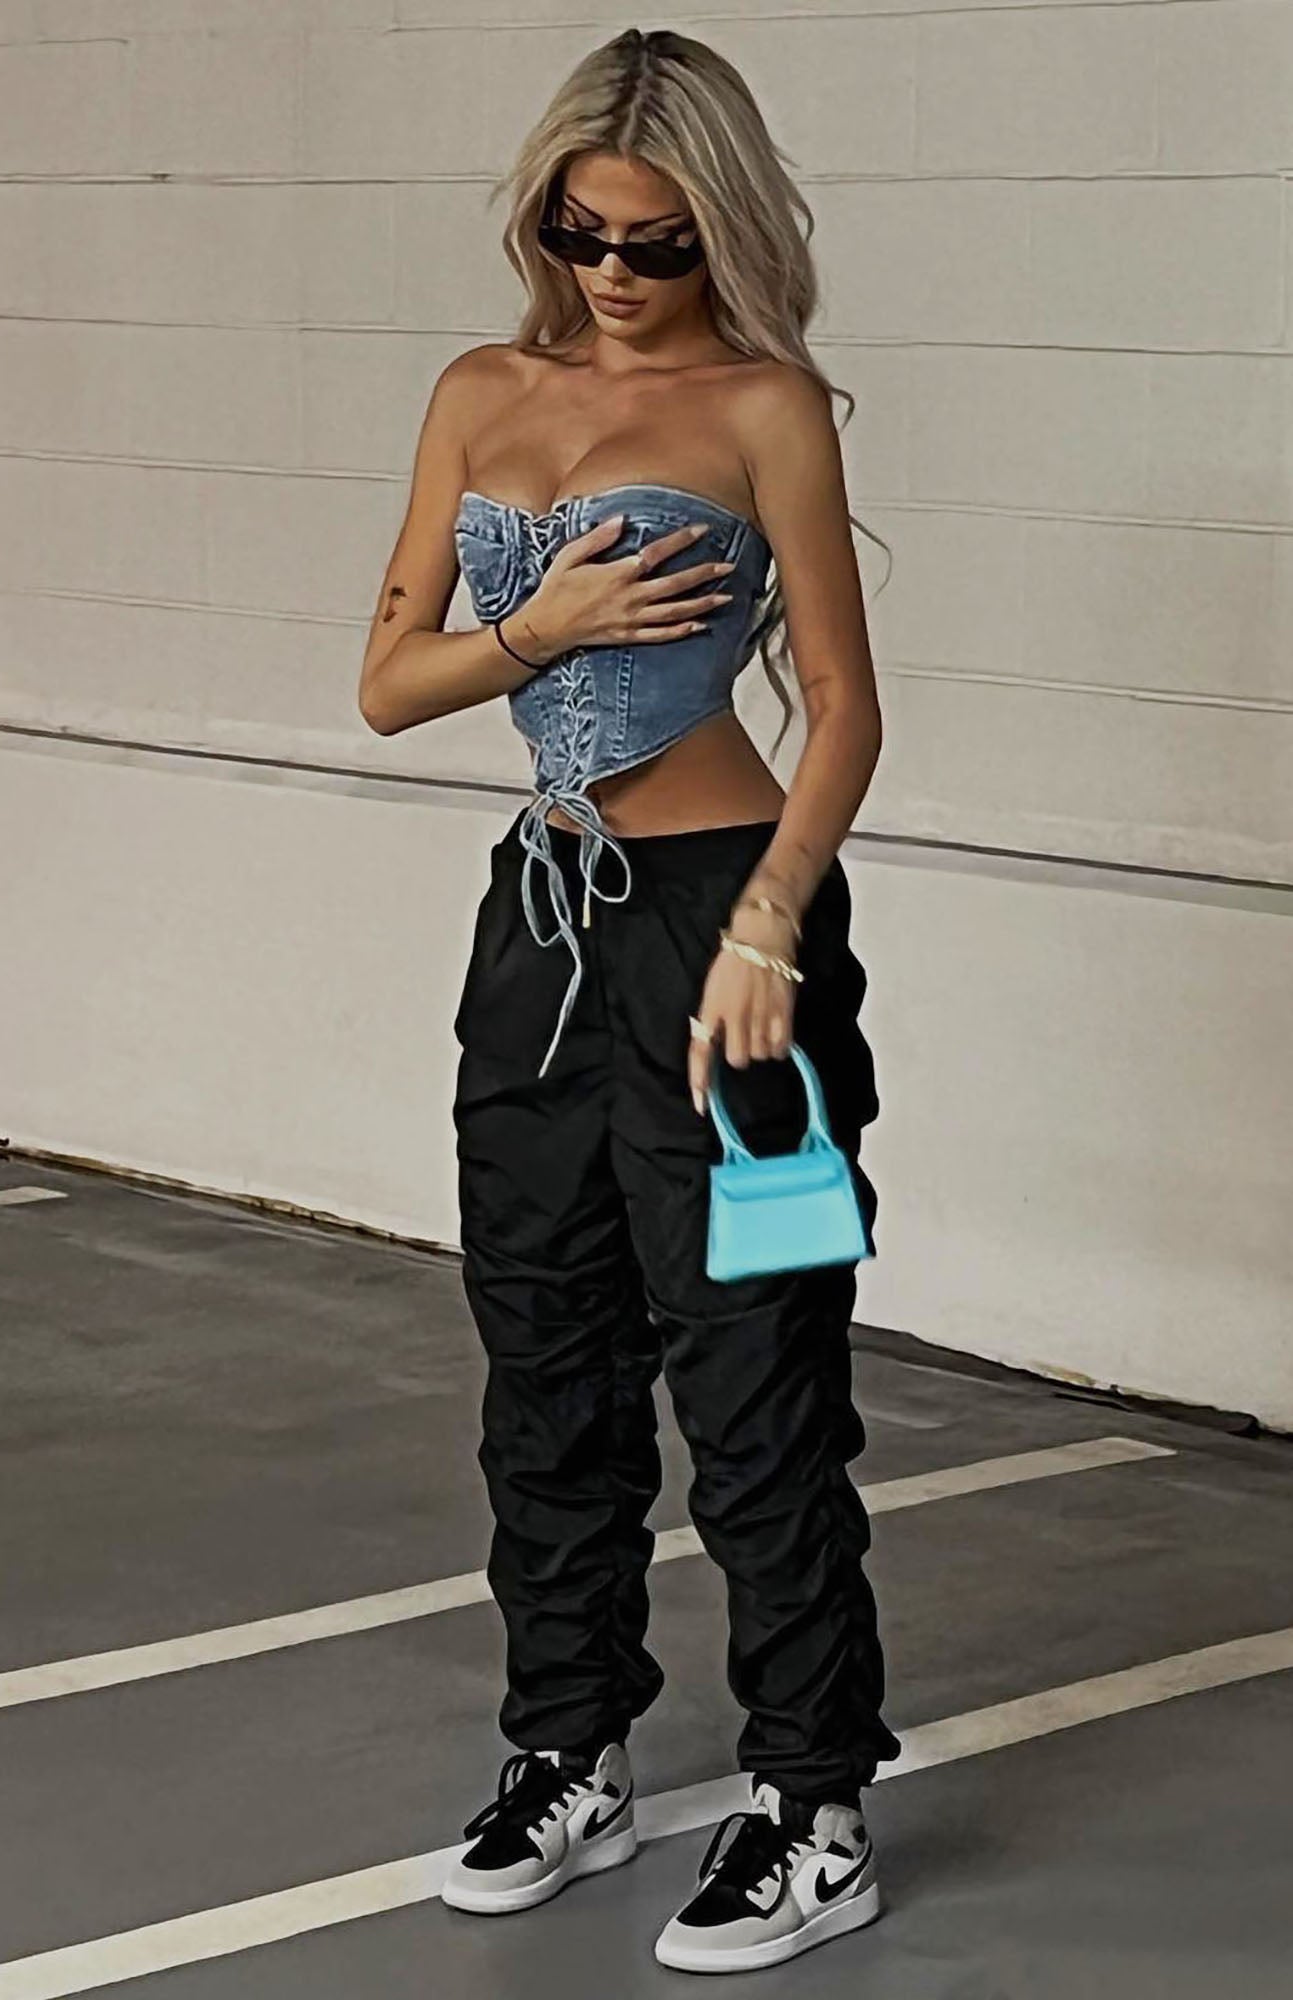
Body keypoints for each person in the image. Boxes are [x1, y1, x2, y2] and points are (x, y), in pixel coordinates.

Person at [358, 25, 901, 1977]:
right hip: (540, 927)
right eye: (575, 232)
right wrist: (544, 623)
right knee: (545, 1360)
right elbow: (390, 683)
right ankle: (567, 1749)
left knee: (753, 1366)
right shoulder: (478, 389)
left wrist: (767, 925)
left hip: (723, 920)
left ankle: (812, 1802)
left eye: (654, 241)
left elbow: (839, 706)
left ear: (718, 230)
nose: (609, 270)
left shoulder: (765, 406)